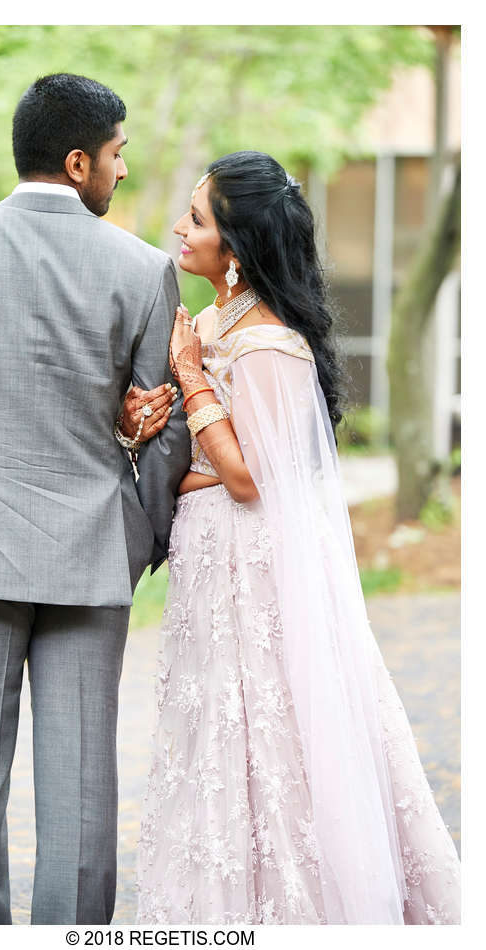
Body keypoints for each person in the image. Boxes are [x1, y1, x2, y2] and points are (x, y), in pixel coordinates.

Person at [0, 72, 190, 925]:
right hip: (91, 555)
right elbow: (164, 426)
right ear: (79, 159)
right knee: (83, 786)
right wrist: (145, 539)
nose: (123, 172)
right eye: (118, 155)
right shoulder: (144, 269)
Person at [126, 151, 461, 924]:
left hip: (254, 571)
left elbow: (249, 478)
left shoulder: (271, 344)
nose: (181, 226)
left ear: (236, 253)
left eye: (199, 218)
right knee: (210, 735)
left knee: (267, 733)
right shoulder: (212, 322)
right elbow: (211, 450)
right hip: (209, 565)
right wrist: (148, 417)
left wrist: (190, 376)